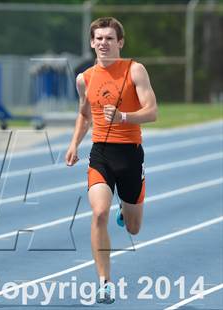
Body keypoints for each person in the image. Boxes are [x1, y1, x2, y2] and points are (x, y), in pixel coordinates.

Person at [65, 17, 157, 304]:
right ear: (92, 42)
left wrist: (124, 117)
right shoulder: (85, 78)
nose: (103, 43)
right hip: (101, 154)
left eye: (109, 38)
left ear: (120, 42)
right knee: (98, 212)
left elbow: (152, 111)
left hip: (130, 154)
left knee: (133, 228)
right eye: (98, 38)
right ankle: (104, 282)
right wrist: (73, 144)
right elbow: (84, 113)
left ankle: (125, 208)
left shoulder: (134, 70)